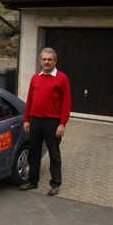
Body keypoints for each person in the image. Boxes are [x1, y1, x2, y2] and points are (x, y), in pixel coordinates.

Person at [20, 47, 71, 196]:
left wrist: (62, 124)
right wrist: (26, 120)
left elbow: (66, 103)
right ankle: (32, 181)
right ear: (40, 61)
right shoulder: (35, 77)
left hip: (53, 123)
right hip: (35, 121)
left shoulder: (62, 79)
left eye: (49, 59)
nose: (46, 62)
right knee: (34, 153)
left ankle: (55, 184)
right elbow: (29, 100)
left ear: (55, 61)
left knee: (54, 154)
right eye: (44, 59)